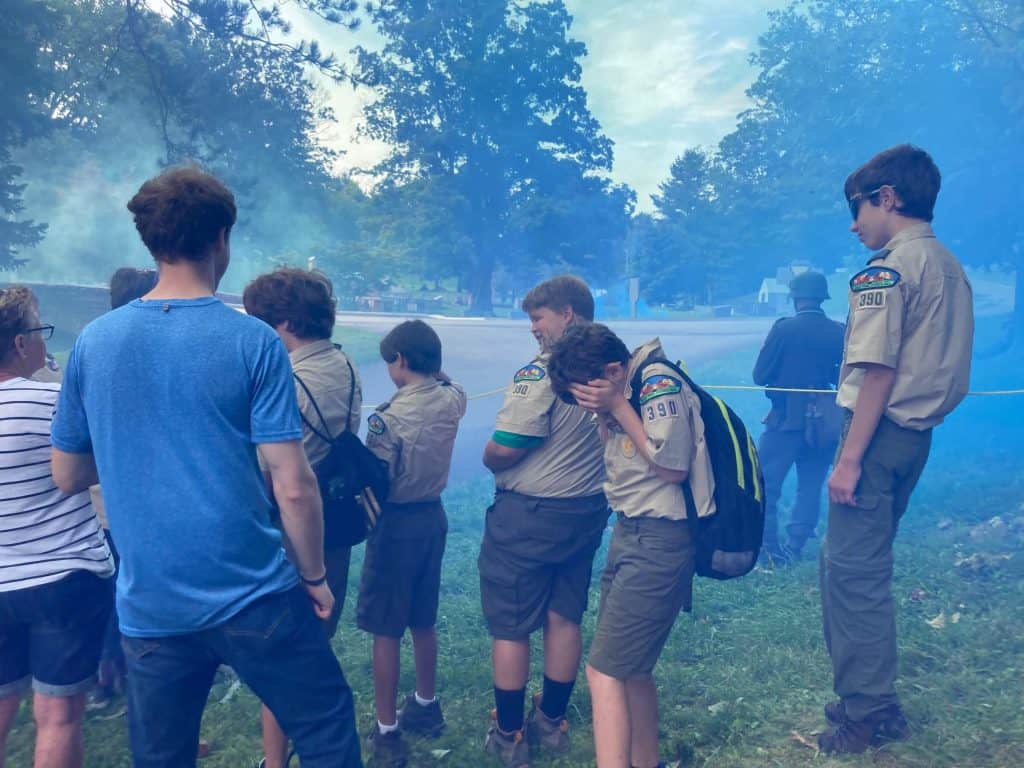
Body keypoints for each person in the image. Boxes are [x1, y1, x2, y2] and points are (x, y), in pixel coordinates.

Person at [49, 167, 362, 768]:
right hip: (253, 593)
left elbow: (67, 474)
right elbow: (293, 485)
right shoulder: (253, 342)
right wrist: (316, 576)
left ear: (151, 240)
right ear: (222, 237)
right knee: (325, 728)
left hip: (151, 607)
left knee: (163, 757)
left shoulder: (95, 341)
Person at [818, 145, 973, 754]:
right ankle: (866, 692)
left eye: (857, 208)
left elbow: (876, 370)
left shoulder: (887, 270)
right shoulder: (949, 264)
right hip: (915, 438)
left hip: (877, 436)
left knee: (852, 576)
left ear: (887, 197)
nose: (854, 224)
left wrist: (849, 459)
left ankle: (869, 711)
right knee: (858, 569)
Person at [547, 323, 714, 768]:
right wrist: (608, 413)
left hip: (660, 540)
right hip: (633, 531)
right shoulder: (625, 388)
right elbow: (619, 453)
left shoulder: (657, 383)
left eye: (589, 392)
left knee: (603, 671)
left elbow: (672, 466)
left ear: (615, 370)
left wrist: (618, 406)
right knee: (632, 668)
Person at [478, 276, 608, 767]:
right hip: (586, 509)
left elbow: (508, 446)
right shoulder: (615, 364)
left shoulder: (546, 371)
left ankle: (510, 734)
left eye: (538, 318)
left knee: (510, 625)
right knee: (564, 615)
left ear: (567, 314)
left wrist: (489, 453)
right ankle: (551, 722)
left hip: (529, 516)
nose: (533, 329)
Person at [243, 267, 363, 768]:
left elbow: (267, 467)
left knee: (283, 659)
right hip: (334, 519)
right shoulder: (343, 364)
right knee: (316, 644)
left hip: (291, 529)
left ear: (285, 323)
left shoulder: (285, 380)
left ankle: (275, 760)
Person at [0, 286, 115, 768]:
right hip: (65, 578)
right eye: (40, 331)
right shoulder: (51, 402)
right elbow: (101, 462)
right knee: (58, 716)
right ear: (22, 344)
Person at [357, 320, 466, 768]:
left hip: (396, 524)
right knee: (423, 616)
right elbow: (451, 384)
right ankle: (425, 702)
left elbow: (375, 482)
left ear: (400, 361)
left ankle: (387, 730)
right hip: (432, 517)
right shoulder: (451, 400)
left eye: (389, 363)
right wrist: (435, 370)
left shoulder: (388, 419)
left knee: (386, 627)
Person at [88, 267, 159, 707]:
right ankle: (140, 688)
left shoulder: (91, 349)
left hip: (99, 508)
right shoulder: (149, 357)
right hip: (139, 506)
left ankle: (103, 680)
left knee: (108, 597)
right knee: (137, 598)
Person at [752, 270, 844, 562]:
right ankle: (796, 545)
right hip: (825, 423)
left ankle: (768, 548)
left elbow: (760, 374)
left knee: (766, 483)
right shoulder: (840, 331)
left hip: (786, 421)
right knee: (810, 484)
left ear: (795, 299)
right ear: (822, 298)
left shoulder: (784, 329)